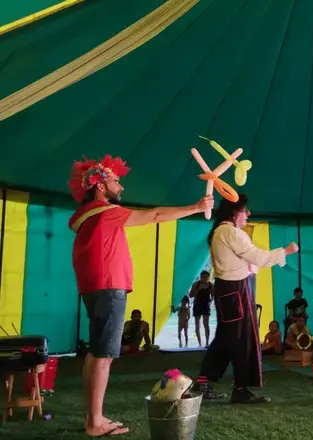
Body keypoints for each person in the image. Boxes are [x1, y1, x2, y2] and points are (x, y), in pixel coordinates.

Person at [68, 155, 212, 437]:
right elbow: (155, 215)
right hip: (109, 286)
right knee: (103, 356)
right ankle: (95, 422)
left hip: (94, 287)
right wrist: (196, 207)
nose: (121, 186)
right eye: (116, 181)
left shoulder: (86, 218)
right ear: (100, 186)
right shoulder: (105, 213)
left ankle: (93, 417)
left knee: (96, 353)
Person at [193, 194, 298, 404]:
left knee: (226, 337)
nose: (248, 214)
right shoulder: (231, 232)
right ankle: (240, 389)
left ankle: (202, 383)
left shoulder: (220, 231)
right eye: (244, 210)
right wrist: (285, 251)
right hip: (237, 291)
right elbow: (257, 257)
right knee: (244, 338)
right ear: (234, 213)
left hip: (228, 290)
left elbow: (250, 262)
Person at [189, 271, 214, 347]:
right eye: (203, 277)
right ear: (201, 277)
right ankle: (199, 344)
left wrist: (211, 302)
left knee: (206, 324)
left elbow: (213, 295)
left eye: (206, 277)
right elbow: (190, 295)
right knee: (197, 325)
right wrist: (198, 289)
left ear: (208, 277)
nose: (205, 279)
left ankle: (207, 343)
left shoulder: (210, 285)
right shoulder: (196, 284)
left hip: (206, 305)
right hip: (197, 305)